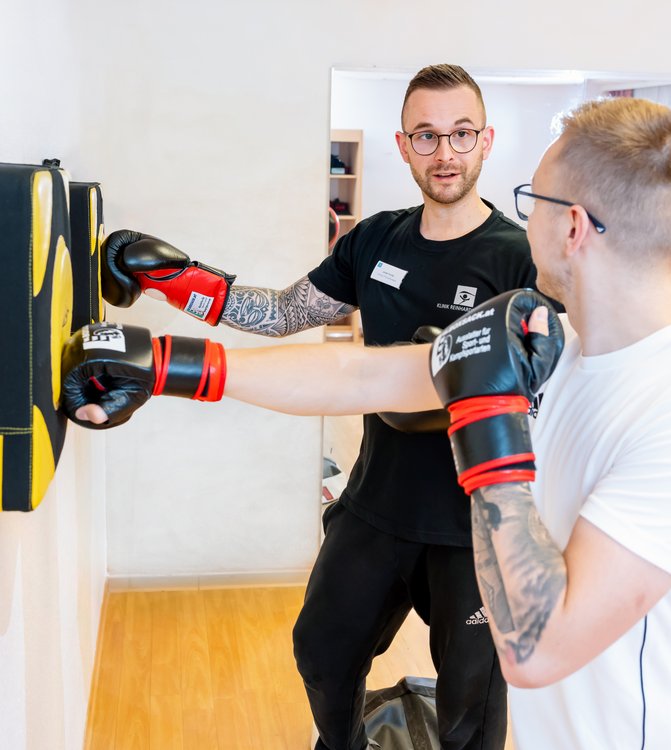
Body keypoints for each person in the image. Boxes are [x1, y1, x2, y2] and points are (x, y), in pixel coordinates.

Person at [64, 95, 671, 749]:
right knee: (324, 648)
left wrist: (483, 408)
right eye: (426, 135)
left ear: (572, 227)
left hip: (588, 696)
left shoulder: (653, 412)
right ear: (403, 143)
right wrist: (165, 365)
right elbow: (363, 374)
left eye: (535, 201)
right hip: (384, 504)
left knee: (470, 710)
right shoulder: (562, 346)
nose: (446, 152)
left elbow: (537, 650)